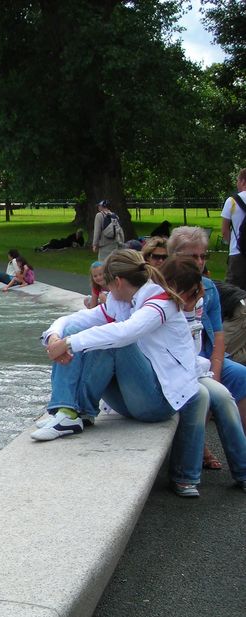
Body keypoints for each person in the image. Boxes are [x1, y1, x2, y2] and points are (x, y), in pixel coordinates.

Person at [31, 249, 208, 497]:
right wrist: (54, 336)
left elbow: (126, 333)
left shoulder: (161, 301)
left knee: (112, 340)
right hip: (131, 397)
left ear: (118, 282)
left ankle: (72, 413)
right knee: (81, 330)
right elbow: (78, 318)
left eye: (109, 287)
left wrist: (69, 344)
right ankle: (68, 410)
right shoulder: (121, 300)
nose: (107, 294)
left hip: (158, 401)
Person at [160, 256, 246, 494]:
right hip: (169, 373)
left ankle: (243, 470)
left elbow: (199, 345)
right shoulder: (159, 308)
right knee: (200, 397)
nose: (199, 296)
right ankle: (185, 475)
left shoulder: (196, 303)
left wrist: (208, 370)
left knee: (225, 397)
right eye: (192, 293)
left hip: (192, 370)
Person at [220, 168, 246, 289]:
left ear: (243, 181)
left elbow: (225, 230)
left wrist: (233, 244)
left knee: (233, 290)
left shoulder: (232, 201)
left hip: (237, 252)